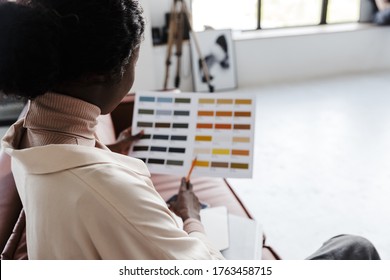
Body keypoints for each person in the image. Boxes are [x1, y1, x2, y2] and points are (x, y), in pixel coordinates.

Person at [0, 0, 381, 260]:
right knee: (354, 248)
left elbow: (74, 180)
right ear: (104, 74)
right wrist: (191, 217)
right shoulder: (108, 190)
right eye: (135, 59)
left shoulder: (26, 131)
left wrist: (106, 151)